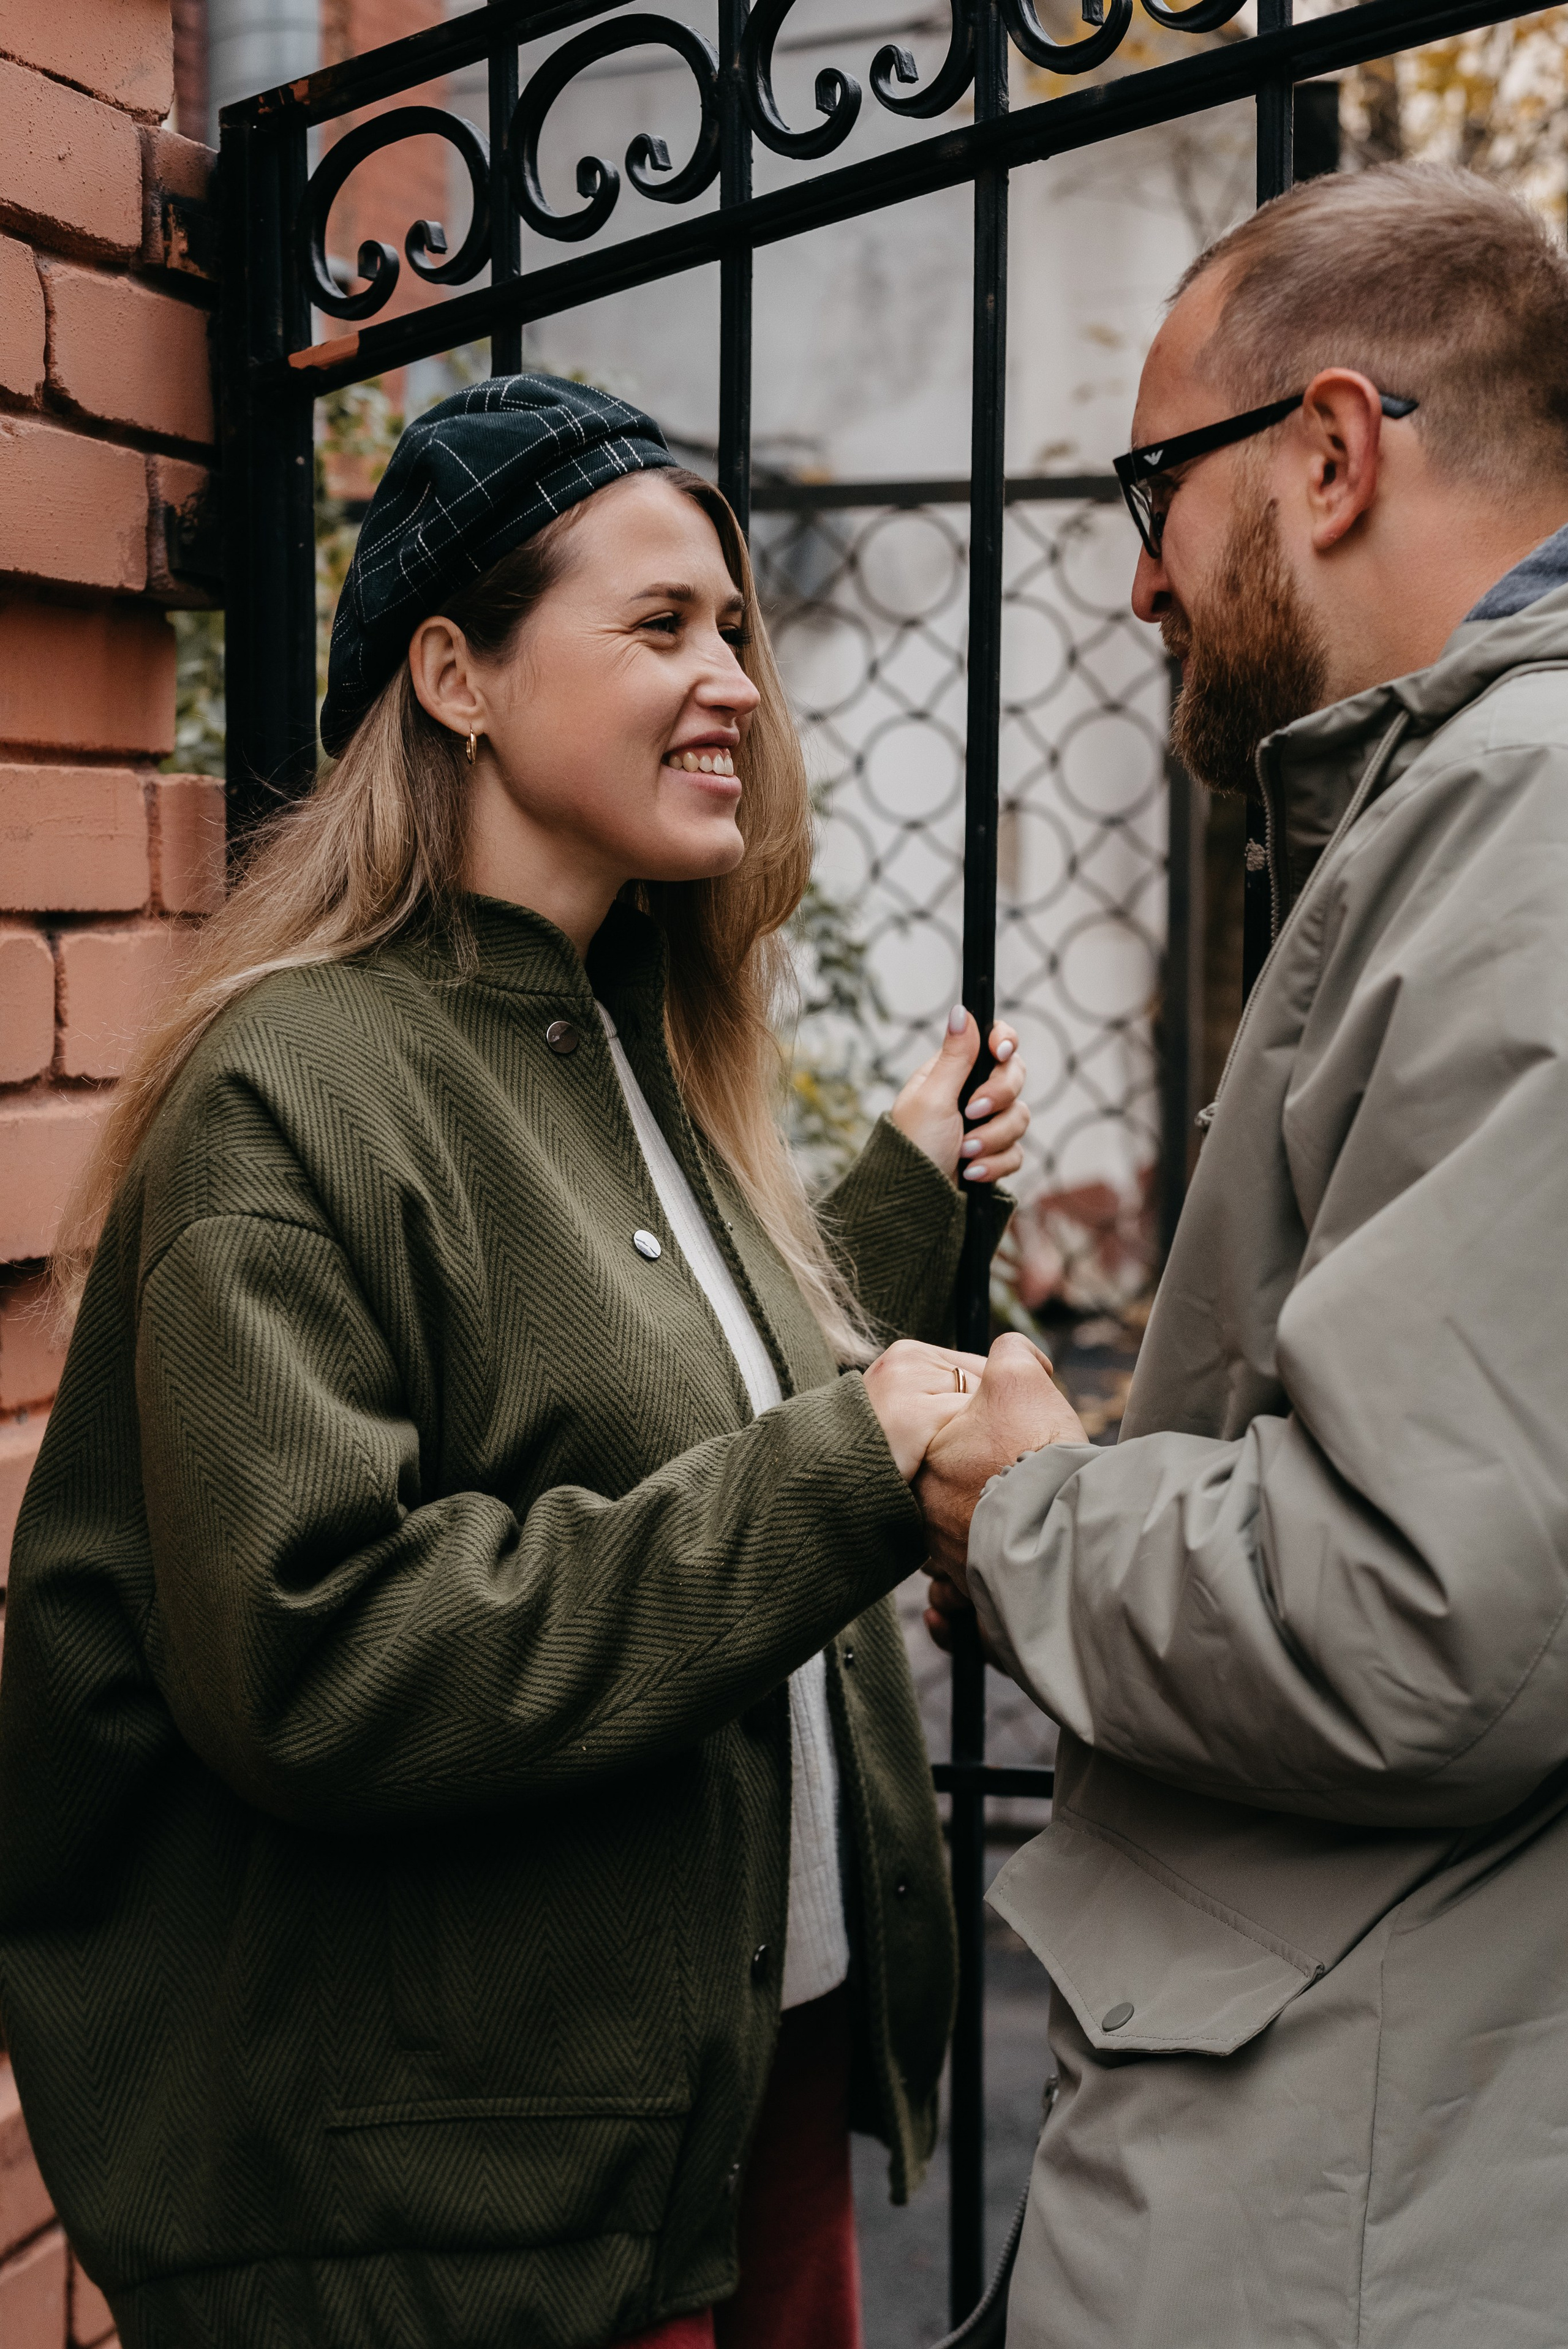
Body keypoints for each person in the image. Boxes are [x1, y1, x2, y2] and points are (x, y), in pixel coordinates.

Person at [0, 376, 1031, 2349]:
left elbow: (653, 1419)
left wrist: (898, 1212)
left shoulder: (636, 1044)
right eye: (660, 624)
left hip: (739, 2094)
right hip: (489, 2208)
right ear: (456, 673)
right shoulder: (293, 1085)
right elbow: (321, 1652)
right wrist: (852, 1460)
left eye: (735, 627)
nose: (732, 678)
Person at [918, 163, 1568, 2347]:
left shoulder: (1524, 822)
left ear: (1331, 451)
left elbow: (1430, 1607)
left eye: (1153, 488)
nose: (1137, 578)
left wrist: (1025, 1510)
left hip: (1366, 2202)